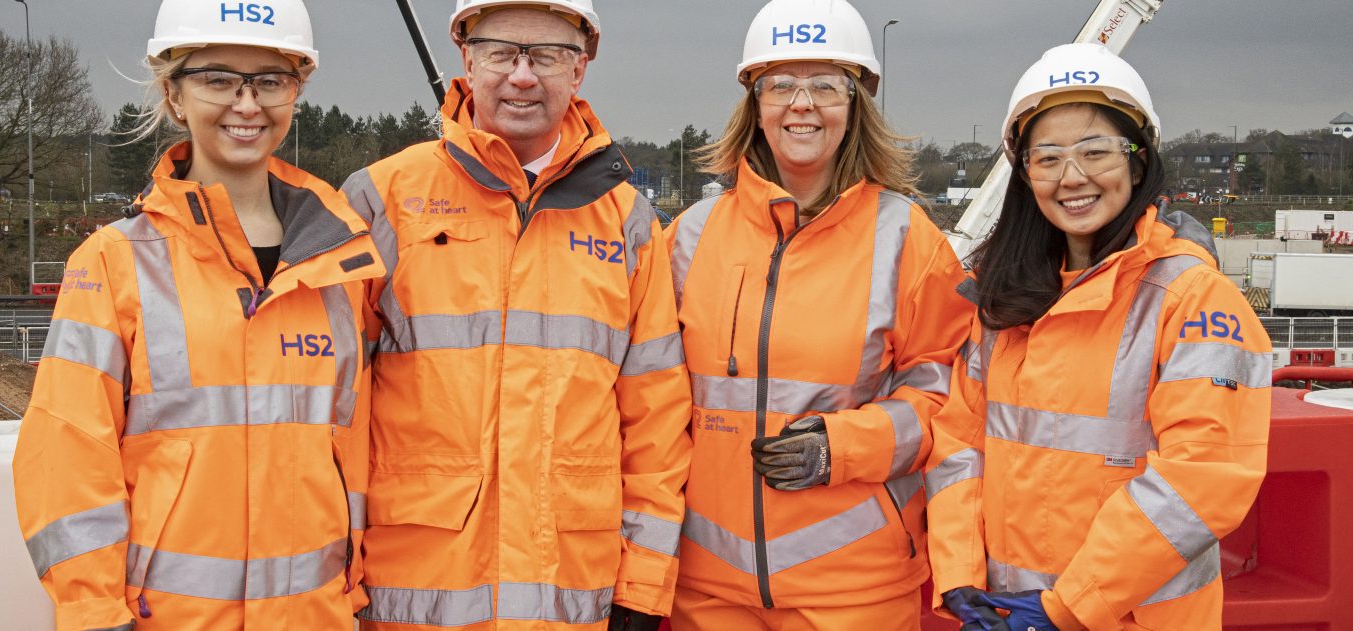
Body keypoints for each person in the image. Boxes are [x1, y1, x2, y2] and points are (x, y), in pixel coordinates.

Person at [11, 0, 383, 628]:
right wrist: (94, 611)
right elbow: (67, 457)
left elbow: (352, 452)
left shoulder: (343, 265)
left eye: (270, 80)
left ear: (296, 92)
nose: (247, 104)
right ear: (174, 95)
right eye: (218, 79)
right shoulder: (115, 261)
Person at [340, 1, 692, 629]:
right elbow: (332, 414)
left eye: (548, 55)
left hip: (572, 600)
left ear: (580, 69)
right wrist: (332, 578)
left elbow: (656, 425)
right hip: (410, 598)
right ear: (467, 61)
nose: (522, 76)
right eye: (502, 51)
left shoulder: (627, 220)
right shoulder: (381, 200)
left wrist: (642, 585)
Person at [925, 43, 1271, 631]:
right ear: (1024, 171)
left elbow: (1201, 480)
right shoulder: (1006, 301)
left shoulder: (1193, 300)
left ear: (1138, 163)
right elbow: (958, 442)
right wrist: (959, 576)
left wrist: (1068, 607)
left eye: (1096, 152)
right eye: (1049, 157)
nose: (1073, 177)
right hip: (1006, 615)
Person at [665, 0, 973, 628]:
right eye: (780, 84)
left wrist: (845, 446)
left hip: (856, 589)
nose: (801, 104)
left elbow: (952, 397)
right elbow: (648, 403)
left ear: (856, 103)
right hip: (706, 591)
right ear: (754, 103)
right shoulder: (689, 238)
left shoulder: (908, 239)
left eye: (826, 85)